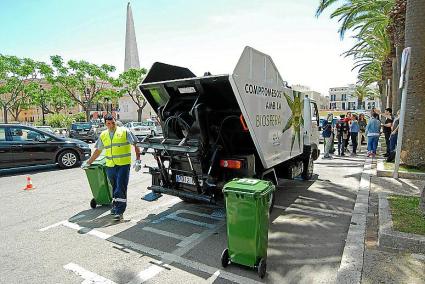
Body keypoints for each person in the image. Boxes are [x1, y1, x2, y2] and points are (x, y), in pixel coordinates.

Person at [82, 114, 142, 221]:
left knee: (120, 187)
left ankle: (119, 211)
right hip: (110, 166)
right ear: (105, 124)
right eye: (108, 123)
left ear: (115, 121)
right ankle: (115, 206)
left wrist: (138, 159)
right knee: (114, 188)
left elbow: (135, 144)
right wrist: (89, 162)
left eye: (113, 122)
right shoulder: (103, 135)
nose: (111, 125)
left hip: (123, 165)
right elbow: (98, 151)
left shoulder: (124, 131)